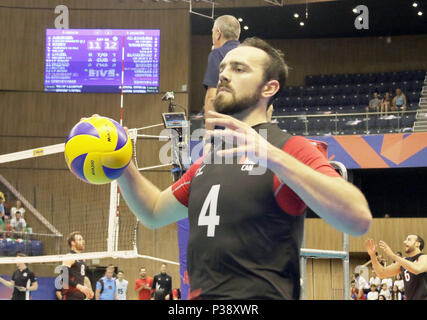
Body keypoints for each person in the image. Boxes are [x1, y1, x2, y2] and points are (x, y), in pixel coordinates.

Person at [105, 37, 372, 300]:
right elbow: (153, 211)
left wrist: (273, 158)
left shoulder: (289, 148)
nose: (224, 75)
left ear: (269, 88)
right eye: (222, 68)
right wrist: (121, 162)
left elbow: (358, 219)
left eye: (239, 69)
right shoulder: (207, 161)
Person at [203, 15, 241, 131]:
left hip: (225, 132)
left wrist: (208, 135)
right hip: (252, 131)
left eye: (213, 33)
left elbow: (211, 98)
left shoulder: (217, 54)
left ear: (218, 33)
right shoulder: (252, 54)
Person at [365, 235, 427, 300]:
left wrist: (393, 256)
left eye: (409, 240)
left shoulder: (424, 258)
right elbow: (381, 273)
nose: (405, 242)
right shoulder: (404, 261)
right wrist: (372, 256)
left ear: (417, 244)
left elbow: (417, 269)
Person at [62, 231, 94, 300]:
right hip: (69, 296)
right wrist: (81, 287)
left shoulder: (82, 259)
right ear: (72, 243)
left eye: (83, 239)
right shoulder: (69, 256)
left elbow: (80, 278)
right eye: (79, 239)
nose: (83, 241)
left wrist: (87, 289)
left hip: (79, 297)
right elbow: (63, 277)